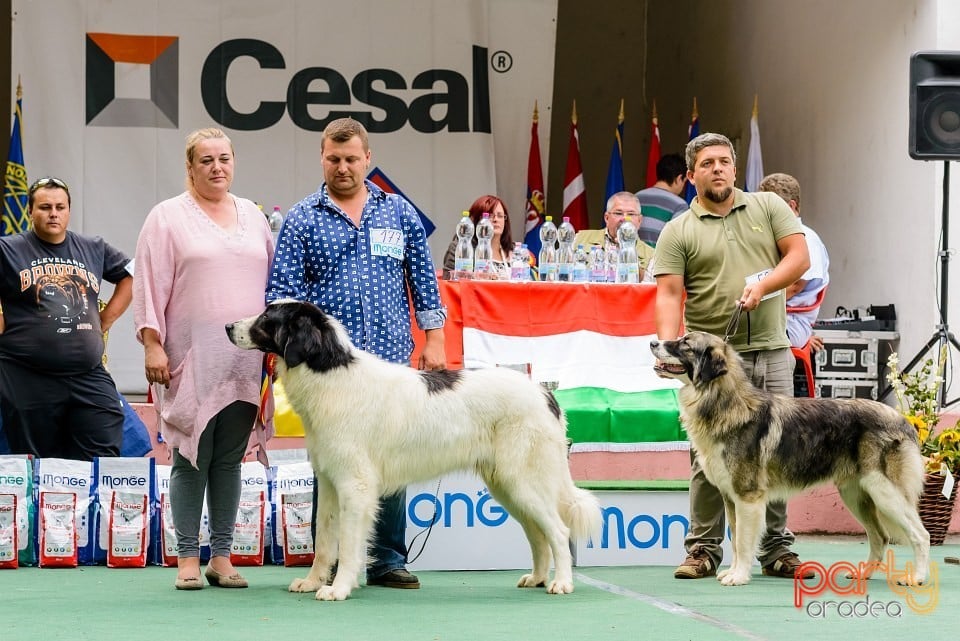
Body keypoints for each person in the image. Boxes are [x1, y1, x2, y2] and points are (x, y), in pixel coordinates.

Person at [266, 117, 446, 590]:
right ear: (321, 158)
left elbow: (424, 281)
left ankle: (386, 558)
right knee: (330, 463)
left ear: (368, 158)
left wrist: (436, 339)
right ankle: (324, 561)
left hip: (389, 361)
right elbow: (284, 295)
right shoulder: (302, 218)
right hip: (328, 370)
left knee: (393, 458)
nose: (343, 167)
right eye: (333, 159)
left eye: (351, 159)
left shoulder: (399, 213)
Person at [653, 132, 811, 580]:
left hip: (771, 350)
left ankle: (776, 550)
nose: (717, 169)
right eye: (707, 163)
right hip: (712, 363)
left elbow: (798, 258)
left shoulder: (769, 207)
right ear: (691, 175)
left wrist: (763, 286)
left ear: (736, 170)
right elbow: (667, 296)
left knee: (777, 452)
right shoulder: (677, 230)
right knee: (708, 459)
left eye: (724, 161)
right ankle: (703, 550)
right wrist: (671, 355)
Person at [133, 128, 274, 591]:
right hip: (191, 356)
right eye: (207, 160)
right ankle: (188, 558)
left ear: (234, 162)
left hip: (245, 360)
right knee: (191, 456)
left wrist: (274, 346)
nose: (217, 168)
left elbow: (272, 288)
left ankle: (221, 556)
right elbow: (149, 284)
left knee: (231, 459)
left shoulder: (254, 217)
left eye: (225, 159)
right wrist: (152, 342)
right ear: (190, 167)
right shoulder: (166, 217)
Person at [0, 176, 132, 461]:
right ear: (30, 211)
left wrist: (105, 319)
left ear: (69, 210)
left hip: (88, 373)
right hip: (27, 375)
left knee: (104, 450)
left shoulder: (93, 247)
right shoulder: (8, 249)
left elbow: (132, 274)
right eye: (45, 207)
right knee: (35, 462)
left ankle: (92, 506)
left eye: (60, 207)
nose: (53, 213)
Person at [759, 172, 830, 351]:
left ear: (791, 206)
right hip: (773, 318)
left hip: (789, 322)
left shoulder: (807, 239)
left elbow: (793, 287)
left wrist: (750, 304)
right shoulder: (774, 237)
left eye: (770, 209)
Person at [574, 191, 655, 275]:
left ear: (639, 220)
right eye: (618, 213)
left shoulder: (651, 255)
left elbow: (651, 286)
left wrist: (626, 248)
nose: (624, 218)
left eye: (631, 214)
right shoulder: (580, 238)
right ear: (607, 218)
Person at [441, 195, 514, 279]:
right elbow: (448, 280)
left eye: (500, 216)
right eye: (489, 215)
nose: (495, 219)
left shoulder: (515, 251)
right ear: (476, 220)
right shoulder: (461, 247)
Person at [635, 153, 688, 247]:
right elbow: (677, 241)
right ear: (679, 178)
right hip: (658, 259)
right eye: (684, 182)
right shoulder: (680, 205)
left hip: (634, 256)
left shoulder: (636, 197)